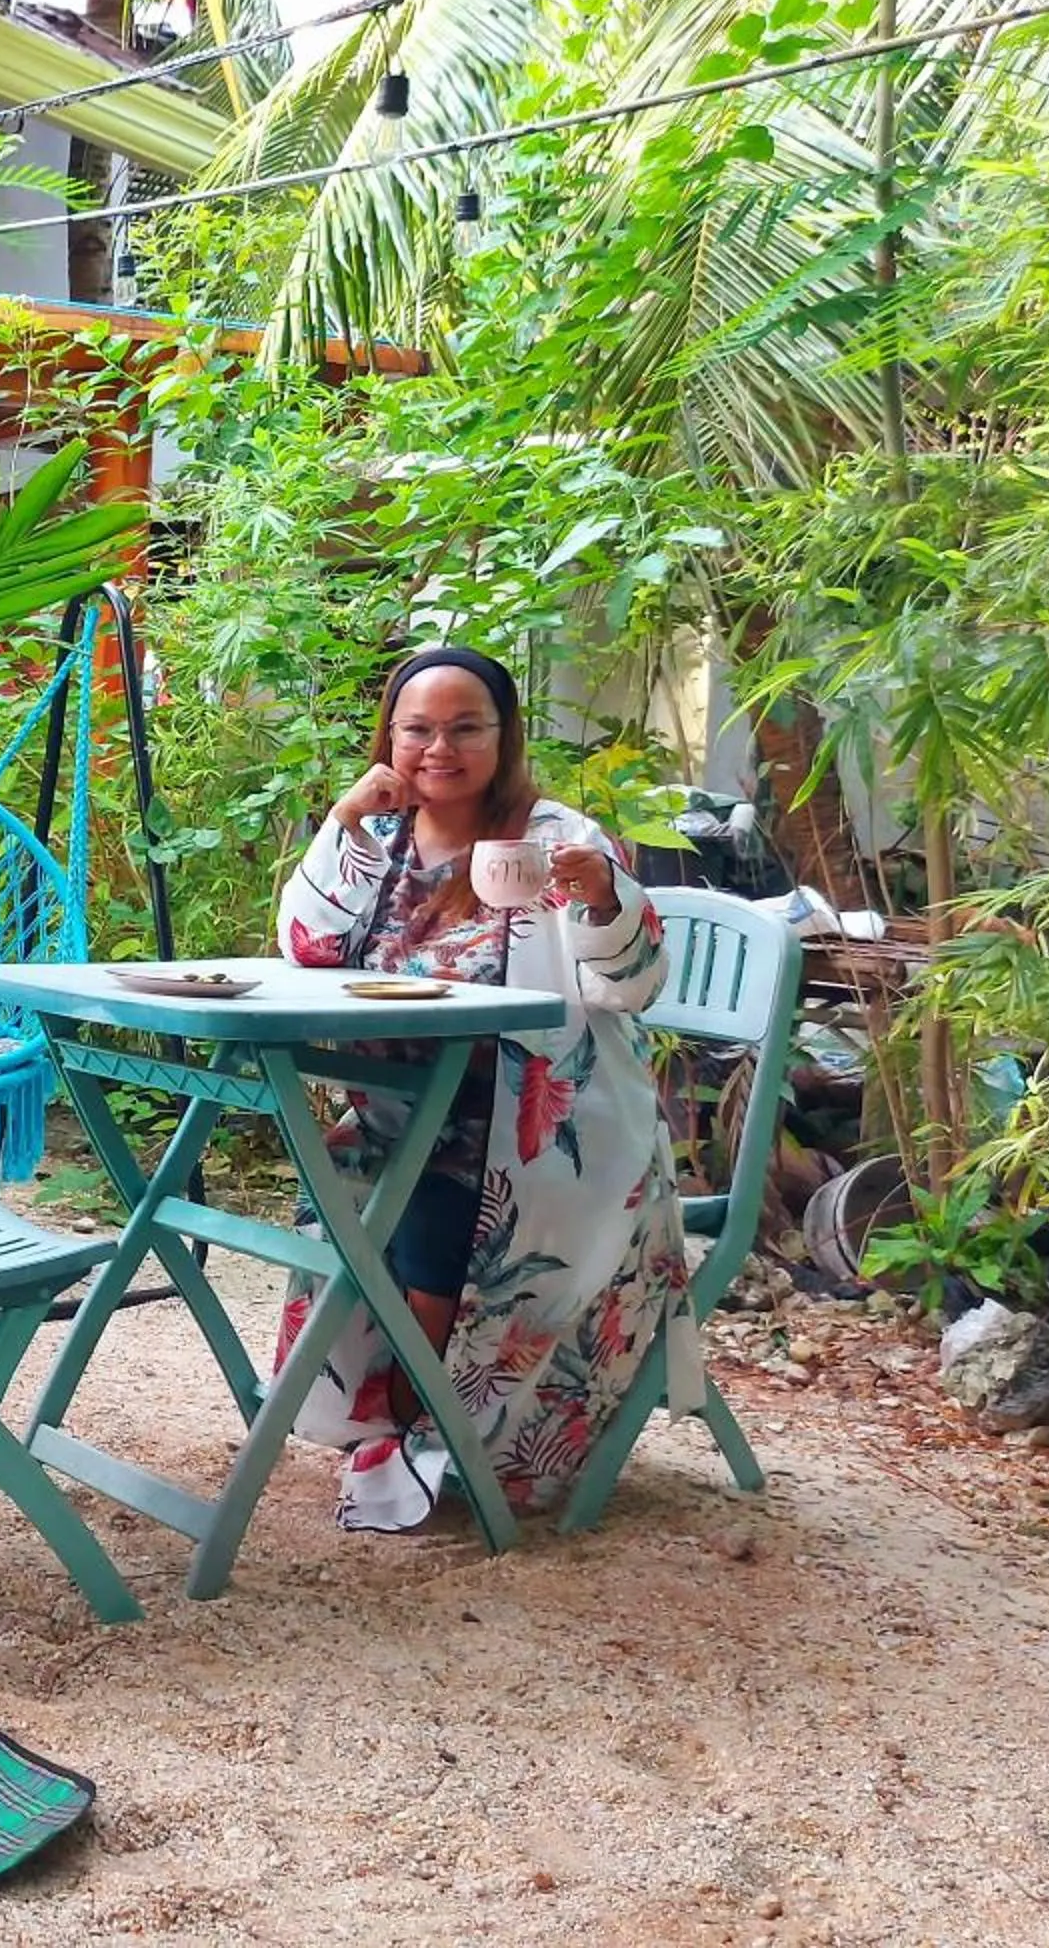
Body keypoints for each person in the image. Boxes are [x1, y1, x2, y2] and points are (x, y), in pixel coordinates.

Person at [272, 645, 693, 1532]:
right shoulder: (380, 834)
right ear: (390, 737)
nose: (440, 748)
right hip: (391, 1109)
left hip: (543, 1131)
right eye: (418, 729)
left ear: (504, 738)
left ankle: (427, 1432)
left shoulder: (558, 839)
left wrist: (603, 897)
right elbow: (307, 946)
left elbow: (633, 986)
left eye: (466, 728)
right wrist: (342, 822)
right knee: (347, 1181)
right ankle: (393, 1418)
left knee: (437, 1204)